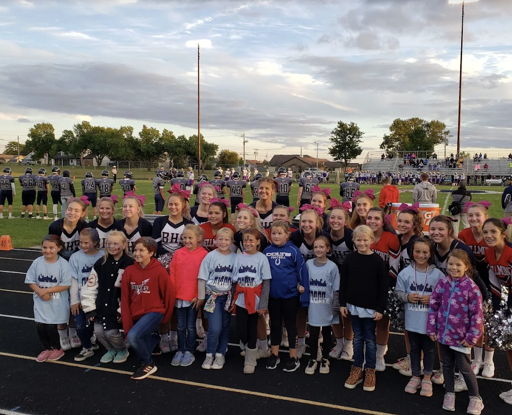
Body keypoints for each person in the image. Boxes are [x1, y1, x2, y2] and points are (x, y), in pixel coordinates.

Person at [427, 249, 484, 414]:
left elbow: (477, 315)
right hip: (443, 335)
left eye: (458, 265)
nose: (454, 267)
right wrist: (432, 328)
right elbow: (434, 305)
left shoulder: (472, 288)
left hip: (461, 338)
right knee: (447, 365)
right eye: (450, 264)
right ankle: (449, 393)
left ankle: (475, 398)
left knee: (465, 367)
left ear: (466, 266)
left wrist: (472, 336)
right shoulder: (443, 283)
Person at [340, 225, 387, 392]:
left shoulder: (378, 261)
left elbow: (383, 287)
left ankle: (370, 370)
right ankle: (357, 367)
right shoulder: (350, 259)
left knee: (370, 339)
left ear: (371, 241)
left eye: (365, 240)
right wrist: (342, 303)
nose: (361, 243)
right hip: (353, 306)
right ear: (353, 241)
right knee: (358, 338)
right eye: (358, 240)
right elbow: (343, 283)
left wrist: (380, 308)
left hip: (371, 308)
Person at [395, 238, 444, 397]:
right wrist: (408, 297)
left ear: (430, 254)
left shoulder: (437, 274)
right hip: (412, 320)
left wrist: (432, 299)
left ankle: (427, 377)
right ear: (412, 252)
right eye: (417, 251)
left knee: (429, 349)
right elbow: (398, 293)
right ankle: (416, 375)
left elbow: (445, 295)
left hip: (429, 322)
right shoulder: (405, 272)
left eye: (425, 252)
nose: (421, 255)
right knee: (414, 349)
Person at [121, 237, 174, 380]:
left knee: (133, 337)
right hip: (136, 314)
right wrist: (127, 324)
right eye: (135, 250)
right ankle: (154, 338)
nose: (137, 253)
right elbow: (125, 299)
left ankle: (148, 364)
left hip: (155, 312)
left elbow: (168, 295)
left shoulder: (159, 271)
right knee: (133, 339)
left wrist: (166, 318)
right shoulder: (129, 271)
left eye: (141, 250)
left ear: (151, 253)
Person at [81, 231, 133, 364]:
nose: (112, 246)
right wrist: (89, 308)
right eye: (109, 243)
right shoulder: (101, 263)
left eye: (116, 243)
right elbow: (90, 287)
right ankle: (110, 349)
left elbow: (132, 292)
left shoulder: (130, 264)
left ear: (123, 244)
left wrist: (122, 310)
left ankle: (122, 349)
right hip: (101, 304)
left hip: (116, 306)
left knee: (111, 333)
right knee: (99, 332)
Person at [264, 221, 309, 372]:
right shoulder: (266, 251)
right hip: (273, 296)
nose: (276, 236)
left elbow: (301, 270)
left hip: (290, 296)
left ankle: (293, 356)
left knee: (291, 326)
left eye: (279, 233)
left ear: (287, 235)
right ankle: (274, 354)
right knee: (275, 325)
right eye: (273, 233)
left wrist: (302, 288)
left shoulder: (293, 251)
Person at [25, 235, 72, 362]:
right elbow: (30, 280)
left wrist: (47, 291)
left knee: (52, 326)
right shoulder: (37, 262)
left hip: (57, 302)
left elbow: (66, 284)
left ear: (59, 248)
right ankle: (47, 348)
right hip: (41, 300)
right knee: (40, 326)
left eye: (51, 248)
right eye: (45, 247)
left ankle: (57, 348)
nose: (47, 250)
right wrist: (40, 291)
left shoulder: (63, 264)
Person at [231, 229, 271, 374]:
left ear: (258, 242)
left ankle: (250, 359)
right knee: (241, 329)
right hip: (241, 299)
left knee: (252, 329)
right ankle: (247, 347)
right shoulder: (239, 257)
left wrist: (263, 304)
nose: (248, 243)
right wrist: (232, 299)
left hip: (255, 299)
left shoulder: (262, 258)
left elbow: (266, 282)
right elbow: (234, 280)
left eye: (251, 240)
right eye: (245, 240)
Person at [169, 225, 208, 367]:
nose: (187, 240)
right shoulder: (178, 253)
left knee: (191, 326)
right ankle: (181, 349)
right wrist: (172, 293)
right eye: (184, 237)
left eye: (190, 237)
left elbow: (203, 277)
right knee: (180, 326)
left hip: (192, 297)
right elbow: (172, 274)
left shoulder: (203, 254)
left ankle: (190, 351)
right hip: (178, 296)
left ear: (198, 238)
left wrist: (199, 295)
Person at [197, 228, 236, 370]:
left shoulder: (235, 257)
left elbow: (236, 281)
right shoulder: (210, 256)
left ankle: (220, 354)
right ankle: (210, 353)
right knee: (214, 328)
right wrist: (201, 297)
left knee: (225, 326)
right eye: (220, 239)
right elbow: (202, 277)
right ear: (215, 240)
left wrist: (234, 299)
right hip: (212, 297)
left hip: (227, 297)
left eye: (227, 239)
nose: (223, 242)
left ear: (231, 241)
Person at [482, 218, 512, 402]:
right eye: (485, 232)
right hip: (506, 303)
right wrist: (496, 306)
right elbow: (494, 283)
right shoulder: (489, 253)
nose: (488, 235)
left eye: (493, 231)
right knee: (509, 347)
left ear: (503, 233)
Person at [304, 236, 339, 375]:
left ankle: (325, 358)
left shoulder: (332, 266)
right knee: (312, 334)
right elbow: (304, 281)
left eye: (321, 247)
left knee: (326, 333)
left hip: (326, 306)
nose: (318, 249)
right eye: (316, 247)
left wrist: (335, 306)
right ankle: (313, 358)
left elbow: (336, 288)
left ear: (328, 249)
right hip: (313, 306)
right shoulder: (308, 264)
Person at [68, 228, 104, 361]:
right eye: (81, 242)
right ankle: (87, 347)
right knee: (80, 325)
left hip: (97, 298)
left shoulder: (103, 255)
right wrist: (74, 300)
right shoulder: (75, 257)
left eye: (86, 242)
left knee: (96, 324)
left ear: (95, 242)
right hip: (81, 298)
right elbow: (74, 280)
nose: (83, 245)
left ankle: (92, 342)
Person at [326, 199, 354, 361]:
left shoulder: (351, 237)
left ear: (345, 221)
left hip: (348, 281)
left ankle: (349, 344)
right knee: (333, 313)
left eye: (339, 218)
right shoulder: (324, 235)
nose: (335, 221)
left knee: (347, 314)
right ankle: (339, 342)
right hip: (331, 281)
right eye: (332, 217)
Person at [152, 186, 192, 260]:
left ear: (183, 205)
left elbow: (190, 245)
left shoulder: (189, 224)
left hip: (182, 259)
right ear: (167, 205)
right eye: (170, 204)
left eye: (176, 204)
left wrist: (177, 256)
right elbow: (156, 244)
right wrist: (169, 256)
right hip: (161, 259)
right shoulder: (159, 221)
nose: (173, 207)